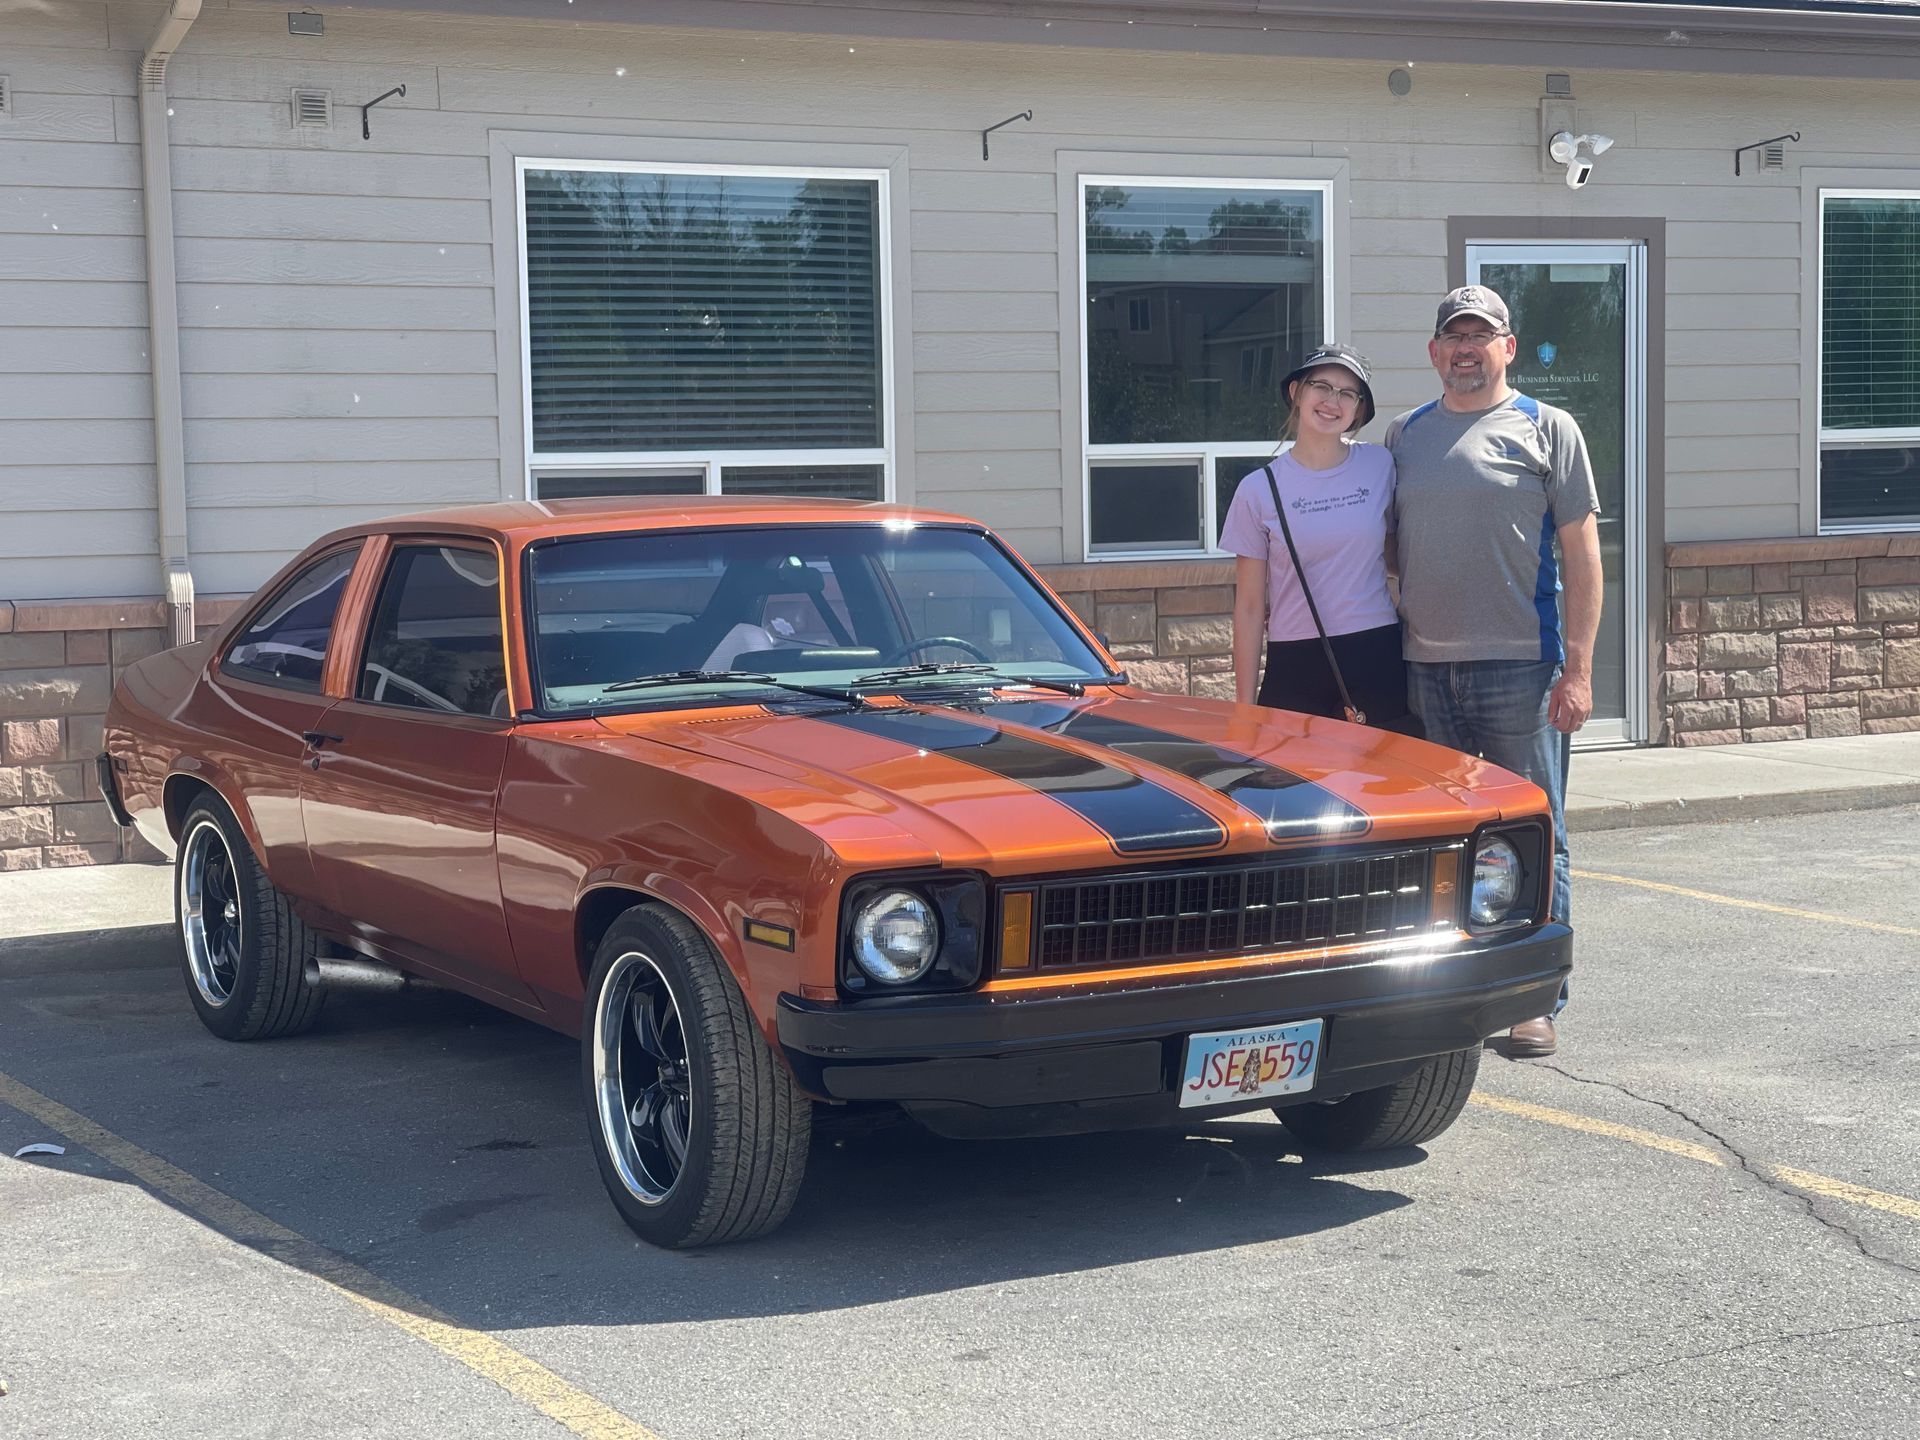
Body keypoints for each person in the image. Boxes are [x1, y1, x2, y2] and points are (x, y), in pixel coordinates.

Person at [1385, 285, 1603, 1059]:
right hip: (1426, 671)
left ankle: (1535, 1002)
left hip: (1521, 671)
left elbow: (1582, 556)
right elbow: (1386, 549)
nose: (1467, 349)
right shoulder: (1404, 434)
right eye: (1455, 337)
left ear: (1508, 346)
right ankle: (1452, 990)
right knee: (1444, 841)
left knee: (1536, 834)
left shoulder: (1549, 428)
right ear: (1435, 351)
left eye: (1484, 336)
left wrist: (1577, 673)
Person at [1220, 342, 1415, 732]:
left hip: (1376, 652)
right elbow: (1250, 607)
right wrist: (1244, 709)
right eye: (1321, 386)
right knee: (1291, 788)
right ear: (1297, 392)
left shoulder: (1381, 465)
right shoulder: (1258, 489)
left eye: (1347, 393)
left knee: (1378, 788)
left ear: (1359, 409)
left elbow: (1401, 553)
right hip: (1296, 662)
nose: (1332, 401)